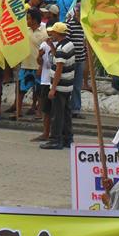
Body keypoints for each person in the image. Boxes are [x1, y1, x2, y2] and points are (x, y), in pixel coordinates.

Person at [40, 21, 75, 150]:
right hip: (68, 85)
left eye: (53, 33)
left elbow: (59, 69)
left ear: (58, 33)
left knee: (57, 114)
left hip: (60, 86)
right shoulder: (69, 44)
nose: (51, 35)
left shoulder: (61, 49)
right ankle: (67, 138)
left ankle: (55, 139)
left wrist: (53, 89)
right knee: (66, 113)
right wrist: (51, 46)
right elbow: (59, 58)